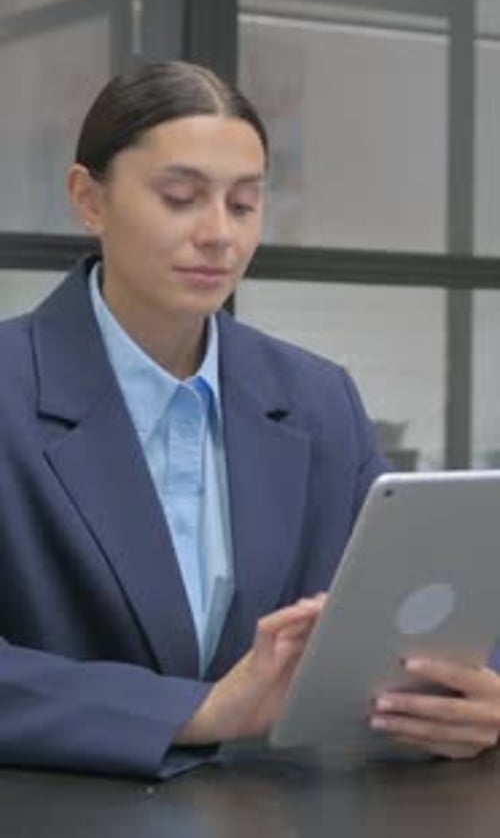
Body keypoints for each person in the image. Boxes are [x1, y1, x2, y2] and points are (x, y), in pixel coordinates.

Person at [0, 61, 498, 779]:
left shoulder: (318, 399)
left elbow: (411, 606)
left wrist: (473, 693)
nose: (218, 235)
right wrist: (194, 713)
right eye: (180, 197)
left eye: (243, 204)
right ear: (89, 199)